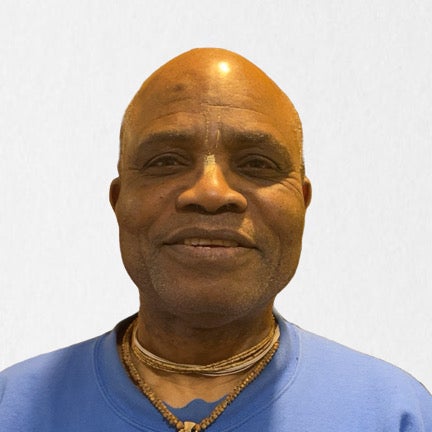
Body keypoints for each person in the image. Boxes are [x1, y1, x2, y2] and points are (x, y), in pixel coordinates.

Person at [0, 48, 431, 432]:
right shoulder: (14, 407)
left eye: (257, 163)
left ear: (301, 203)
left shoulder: (394, 414)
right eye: (166, 161)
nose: (210, 192)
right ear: (119, 201)